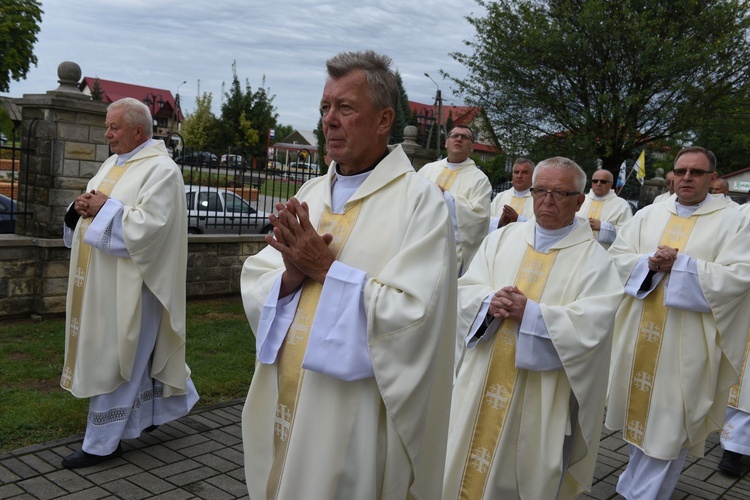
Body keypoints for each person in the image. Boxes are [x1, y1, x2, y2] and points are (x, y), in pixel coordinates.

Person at [239, 50, 457, 500]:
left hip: (353, 410)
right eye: (325, 107)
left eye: (345, 108)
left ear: (383, 120)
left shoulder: (421, 203)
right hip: (289, 388)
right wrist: (290, 279)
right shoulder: (310, 192)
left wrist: (326, 270)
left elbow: (415, 315)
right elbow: (258, 278)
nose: (329, 120)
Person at [443, 157, 623, 499]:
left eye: (559, 193)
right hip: (482, 375)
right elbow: (465, 289)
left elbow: (593, 326)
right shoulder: (503, 239)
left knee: (518, 476)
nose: (547, 200)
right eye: (541, 191)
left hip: (542, 393)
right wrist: (488, 303)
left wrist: (534, 314)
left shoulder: (595, 260)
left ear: (579, 201)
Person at [60, 98, 198, 468]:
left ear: (139, 131)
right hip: (102, 285)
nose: (107, 134)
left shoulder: (162, 171)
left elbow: (150, 228)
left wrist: (104, 207)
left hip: (135, 288)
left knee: (118, 358)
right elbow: (96, 208)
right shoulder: (112, 164)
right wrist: (78, 208)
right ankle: (152, 414)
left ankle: (101, 444)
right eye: (107, 126)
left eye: (113, 127)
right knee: (129, 357)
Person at [606, 146, 750, 499]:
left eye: (697, 172)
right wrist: (650, 264)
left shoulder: (735, 219)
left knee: (672, 426)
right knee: (638, 423)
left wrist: (682, 265)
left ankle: (640, 494)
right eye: (681, 171)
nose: (687, 178)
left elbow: (739, 276)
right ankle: (635, 487)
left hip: (689, 345)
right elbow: (614, 260)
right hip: (638, 334)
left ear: (713, 178)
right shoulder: (650, 214)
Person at [418, 124, 491, 275]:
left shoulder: (480, 180)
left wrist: (447, 197)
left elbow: (480, 219)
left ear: (472, 147)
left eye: (465, 137)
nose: (459, 139)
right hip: (418, 241)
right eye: (454, 135)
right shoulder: (428, 169)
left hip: (448, 251)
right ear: (446, 142)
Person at [579, 169, 633, 248]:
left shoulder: (621, 205)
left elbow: (628, 233)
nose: (598, 184)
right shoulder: (581, 200)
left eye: (603, 181)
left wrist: (603, 227)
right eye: (595, 181)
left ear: (610, 184)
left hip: (605, 253)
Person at [489, 158, 535, 230]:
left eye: (524, 172)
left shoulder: (537, 199)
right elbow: (485, 220)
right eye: (516, 172)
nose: (519, 176)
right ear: (512, 175)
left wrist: (518, 219)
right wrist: (499, 222)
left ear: (533, 176)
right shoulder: (500, 197)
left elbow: (540, 227)